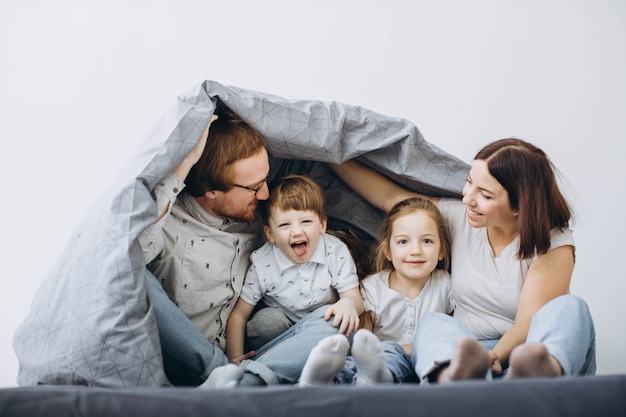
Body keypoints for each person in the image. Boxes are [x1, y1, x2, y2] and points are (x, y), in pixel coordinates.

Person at [328, 138, 596, 383]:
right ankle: (453, 378)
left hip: (521, 350)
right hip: (464, 352)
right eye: (470, 182)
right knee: (433, 325)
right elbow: (391, 197)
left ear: (519, 207)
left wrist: (494, 358)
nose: (468, 198)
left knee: (571, 308)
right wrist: (326, 154)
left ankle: (537, 374)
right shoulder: (460, 219)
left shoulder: (553, 242)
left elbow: (528, 320)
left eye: (486, 195)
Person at [139, 109, 344, 387]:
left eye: (265, 181)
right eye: (254, 187)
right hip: (185, 361)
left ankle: (242, 383)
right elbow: (127, 255)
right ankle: (220, 374)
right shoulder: (167, 222)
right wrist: (184, 163)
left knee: (334, 321)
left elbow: (323, 156)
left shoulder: (263, 220)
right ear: (210, 189)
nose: (265, 194)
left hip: (249, 360)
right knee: (134, 278)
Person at [298, 197, 455, 386]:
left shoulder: (446, 285)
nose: (415, 250)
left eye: (427, 241)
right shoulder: (373, 288)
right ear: (388, 250)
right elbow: (362, 342)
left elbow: (452, 332)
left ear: (442, 251)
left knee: (392, 356)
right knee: (352, 363)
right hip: (376, 359)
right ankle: (321, 382)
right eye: (403, 241)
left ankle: (373, 378)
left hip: (423, 363)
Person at [225, 174, 363, 364]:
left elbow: (355, 298)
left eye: (306, 222)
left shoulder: (335, 250)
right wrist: (234, 358)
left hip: (320, 326)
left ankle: (283, 367)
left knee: (340, 320)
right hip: (279, 336)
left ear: (322, 225)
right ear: (270, 234)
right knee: (266, 322)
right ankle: (270, 365)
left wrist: (348, 304)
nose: (297, 231)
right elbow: (239, 315)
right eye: (284, 225)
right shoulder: (263, 262)